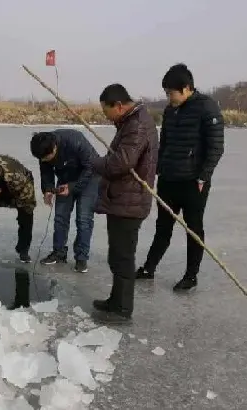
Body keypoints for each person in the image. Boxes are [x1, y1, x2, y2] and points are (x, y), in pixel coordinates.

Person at [136, 63, 225, 291]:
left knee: (193, 229)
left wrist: (203, 177)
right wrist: (158, 168)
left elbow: (216, 147)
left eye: (171, 93)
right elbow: (164, 143)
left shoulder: (207, 108)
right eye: (166, 93)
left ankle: (191, 275)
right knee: (162, 226)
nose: (169, 98)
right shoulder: (170, 111)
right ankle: (149, 268)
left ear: (186, 88)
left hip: (194, 183)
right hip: (169, 179)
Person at [91, 83, 159, 323]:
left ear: (118, 106)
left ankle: (123, 308)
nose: (105, 117)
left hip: (130, 201)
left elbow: (121, 163)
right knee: (118, 254)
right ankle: (115, 300)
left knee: (123, 256)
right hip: (123, 199)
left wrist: (95, 163)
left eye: (106, 111)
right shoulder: (130, 122)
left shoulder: (137, 125)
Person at [30, 129, 100, 273]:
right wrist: (48, 189)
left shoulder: (75, 140)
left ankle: (81, 258)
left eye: (48, 158)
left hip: (90, 178)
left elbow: (91, 167)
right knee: (60, 217)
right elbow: (46, 172)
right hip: (65, 177)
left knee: (83, 219)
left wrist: (74, 187)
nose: (45, 161)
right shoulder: (42, 149)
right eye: (42, 159)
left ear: (55, 147)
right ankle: (59, 252)